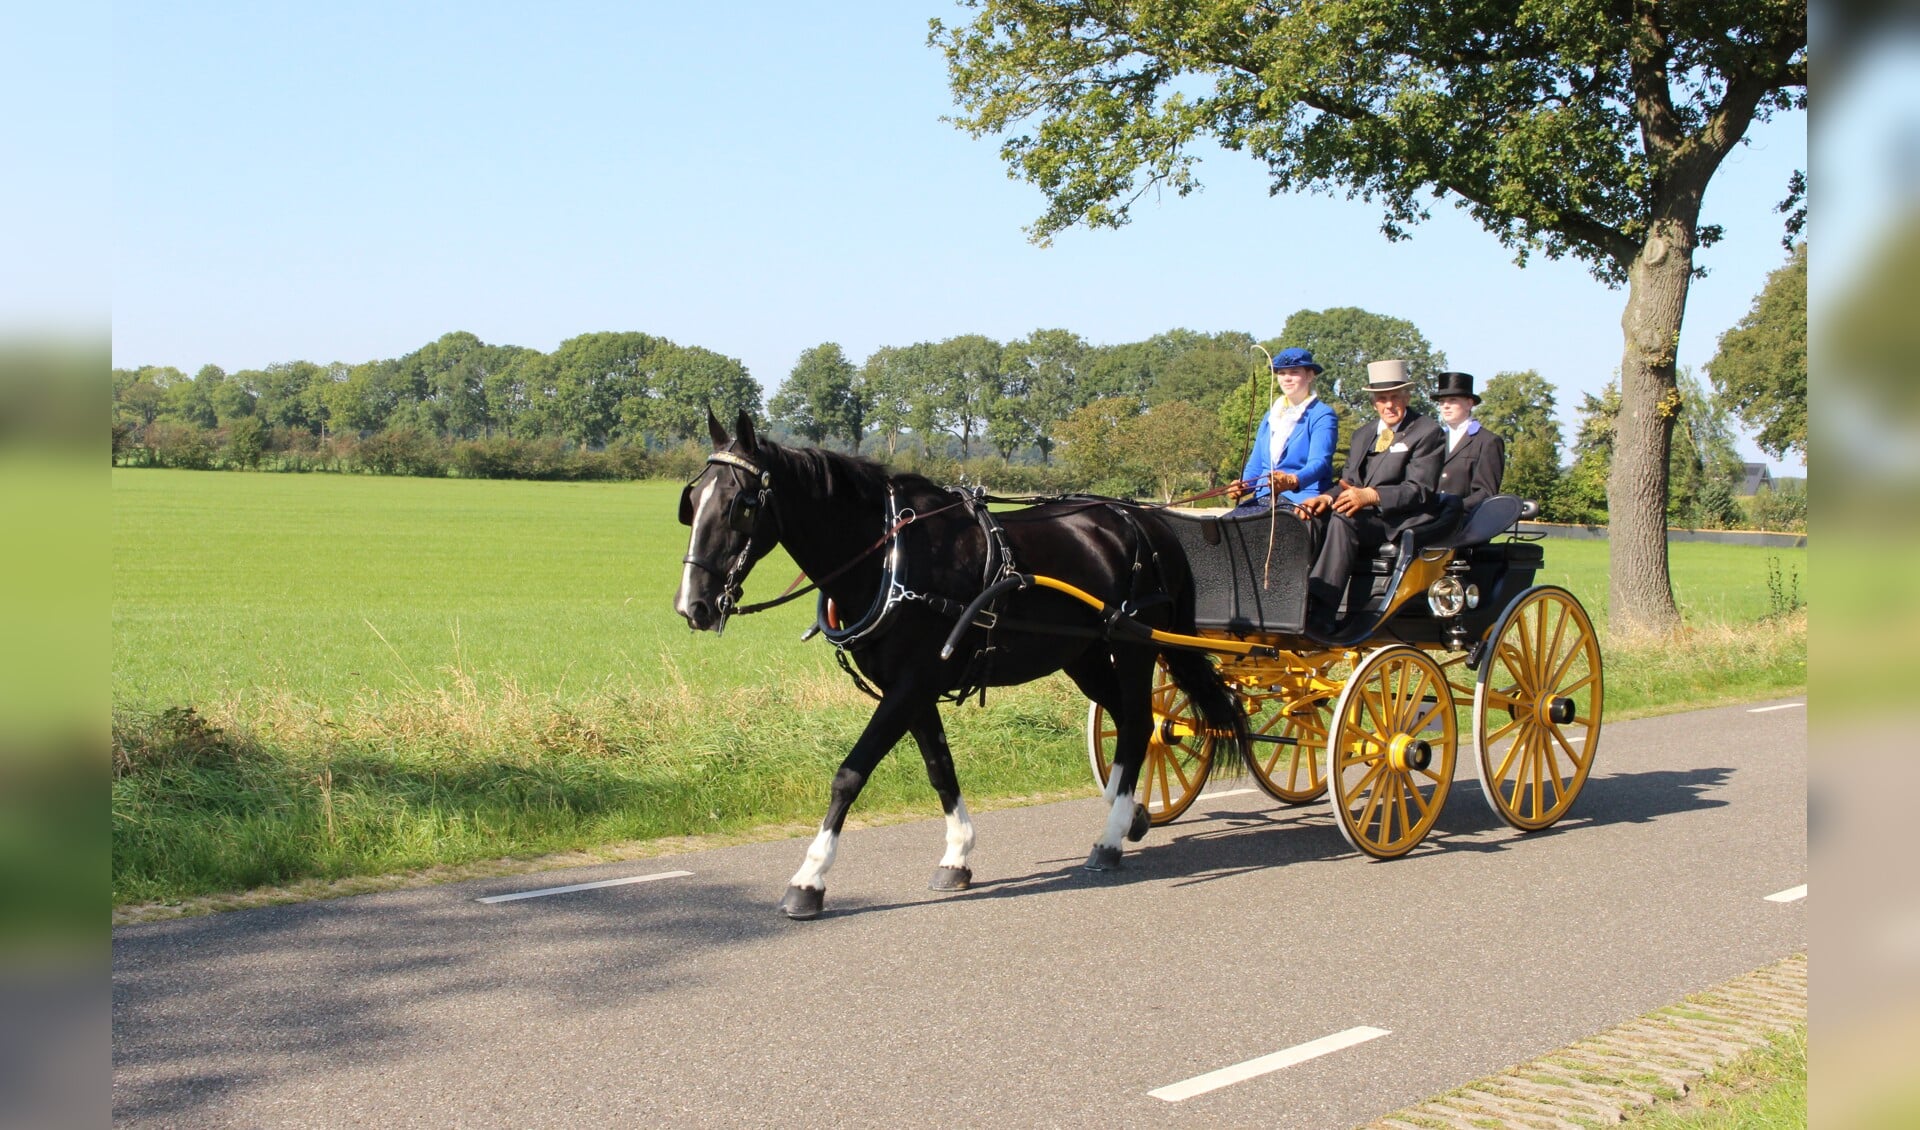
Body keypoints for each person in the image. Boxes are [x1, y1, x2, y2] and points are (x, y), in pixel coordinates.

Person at [1295, 360, 1445, 632]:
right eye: (1382, 399)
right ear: (1374, 402)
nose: (1389, 405)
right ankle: (1292, 600)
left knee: (1343, 519)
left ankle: (1322, 610)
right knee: (1308, 518)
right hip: (1359, 511)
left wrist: (1372, 495)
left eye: (1395, 398)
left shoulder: (1427, 432)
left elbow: (1420, 490)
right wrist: (1326, 499)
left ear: (1407, 397)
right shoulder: (1363, 434)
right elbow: (1348, 483)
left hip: (1396, 521)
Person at [1227, 346, 1339, 515]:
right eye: (1281, 373)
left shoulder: (1322, 415)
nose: (1287, 378)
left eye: (1294, 372)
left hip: (1302, 501)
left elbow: (1320, 463)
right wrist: (1243, 485)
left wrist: (1292, 480)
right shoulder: (1270, 416)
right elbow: (1256, 466)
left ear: (1310, 376)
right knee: (1223, 530)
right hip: (1263, 499)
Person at [1432, 371, 1506, 512]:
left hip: (1464, 522)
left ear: (1469, 404)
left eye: (1452, 400)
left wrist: (1454, 508)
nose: (1445, 406)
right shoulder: (1434, 439)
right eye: (1442, 402)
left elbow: (1486, 492)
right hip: (1431, 519)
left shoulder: (1488, 442)